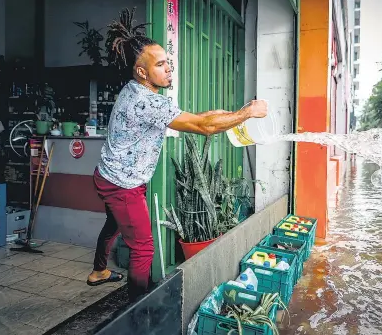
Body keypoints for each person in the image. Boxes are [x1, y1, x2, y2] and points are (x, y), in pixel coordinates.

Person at [86, 22, 268, 302]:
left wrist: (235, 113)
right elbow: (204, 125)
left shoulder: (133, 90)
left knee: (113, 223)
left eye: (167, 61)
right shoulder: (148, 102)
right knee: (144, 247)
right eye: (160, 64)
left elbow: (200, 117)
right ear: (142, 72)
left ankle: (98, 271)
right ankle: (138, 311)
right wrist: (248, 114)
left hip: (106, 175)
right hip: (122, 185)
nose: (169, 67)